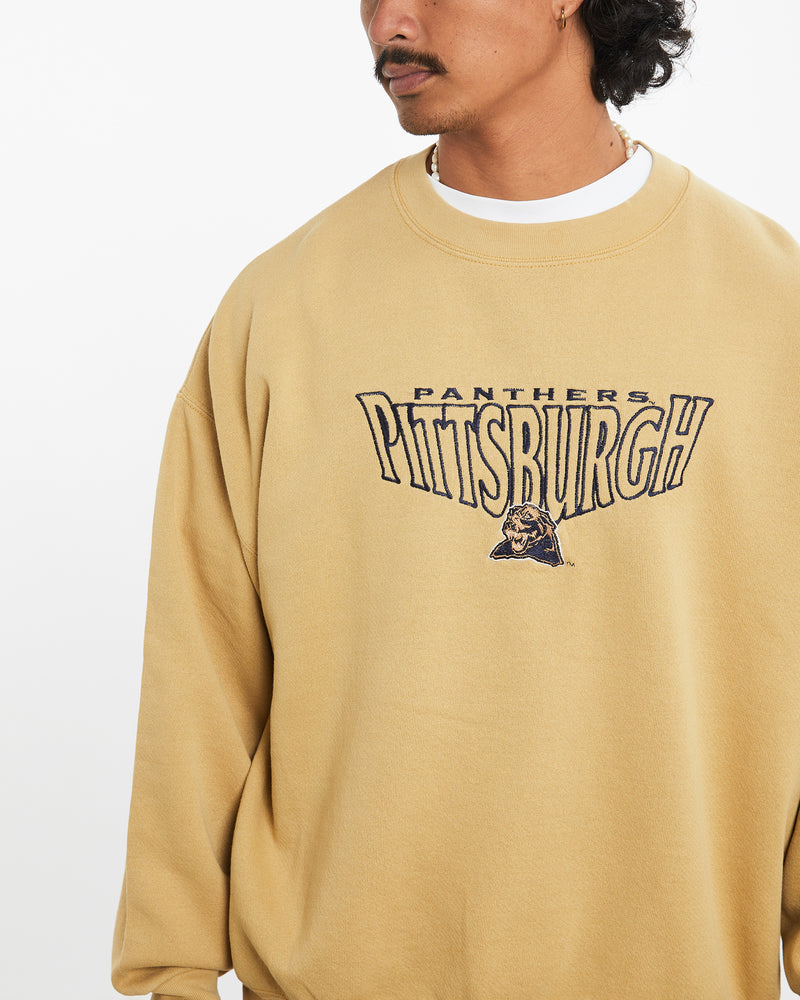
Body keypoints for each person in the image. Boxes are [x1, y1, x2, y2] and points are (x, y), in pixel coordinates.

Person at [112, 0, 800, 998]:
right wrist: (170, 972)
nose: (388, 19)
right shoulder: (283, 306)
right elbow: (199, 673)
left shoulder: (770, 307)